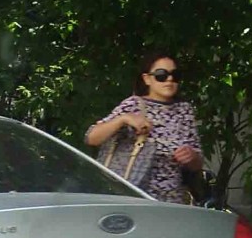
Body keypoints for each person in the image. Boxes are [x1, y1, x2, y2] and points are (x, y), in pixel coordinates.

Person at [85, 52, 203, 204]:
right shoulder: (133, 105)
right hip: (132, 197)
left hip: (170, 200)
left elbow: (197, 163)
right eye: (161, 75)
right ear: (147, 79)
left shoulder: (184, 111)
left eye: (175, 75)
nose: (169, 79)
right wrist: (123, 119)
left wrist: (191, 156)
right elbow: (91, 137)